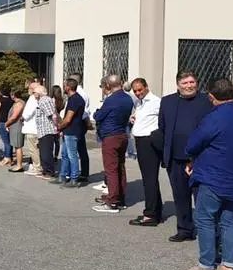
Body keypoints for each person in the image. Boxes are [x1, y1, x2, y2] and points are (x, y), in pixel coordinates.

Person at [178, 79, 233, 270]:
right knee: (229, 220)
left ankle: (206, 265)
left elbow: (194, 142)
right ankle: (229, 266)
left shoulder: (215, 117)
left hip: (214, 176)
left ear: (212, 97)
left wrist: (190, 157)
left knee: (205, 219)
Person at [159, 70, 213, 242]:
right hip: (175, 158)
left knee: (202, 198)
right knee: (180, 195)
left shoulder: (206, 101)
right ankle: (184, 229)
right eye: (185, 83)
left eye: (192, 82)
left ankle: (207, 233)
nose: (189, 86)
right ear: (178, 85)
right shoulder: (167, 101)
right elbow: (163, 127)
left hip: (200, 159)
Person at [91, 75, 132, 213]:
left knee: (111, 169)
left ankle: (112, 201)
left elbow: (99, 116)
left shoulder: (111, 100)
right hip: (122, 134)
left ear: (108, 85)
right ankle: (120, 197)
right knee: (120, 167)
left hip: (111, 136)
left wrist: (97, 112)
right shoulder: (127, 98)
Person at [129, 78, 163, 227]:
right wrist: (133, 119)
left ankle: (150, 214)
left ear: (146, 87)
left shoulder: (156, 102)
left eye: (140, 90)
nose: (138, 93)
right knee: (149, 178)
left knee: (149, 179)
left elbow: (163, 120)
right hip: (140, 141)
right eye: (135, 91)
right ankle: (156, 210)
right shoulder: (139, 102)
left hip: (148, 141)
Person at [52, 78, 86, 187]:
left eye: (64, 86)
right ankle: (63, 176)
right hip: (69, 131)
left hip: (72, 131)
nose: (63, 88)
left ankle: (74, 178)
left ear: (68, 87)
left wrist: (59, 126)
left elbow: (68, 119)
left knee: (72, 155)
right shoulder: (73, 98)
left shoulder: (75, 99)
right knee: (65, 154)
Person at [69, 72, 91, 184]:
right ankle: (83, 173)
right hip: (79, 122)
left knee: (76, 150)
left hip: (78, 123)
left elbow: (84, 112)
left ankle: (79, 174)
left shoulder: (80, 94)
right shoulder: (80, 93)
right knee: (80, 149)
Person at [6, 89, 27, 173]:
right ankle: (18, 164)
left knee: (18, 146)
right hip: (14, 126)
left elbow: (14, 116)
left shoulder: (19, 103)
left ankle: (19, 165)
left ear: (13, 95)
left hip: (17, 126)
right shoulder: (18, 103)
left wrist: (6, 123)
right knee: (16, 146)